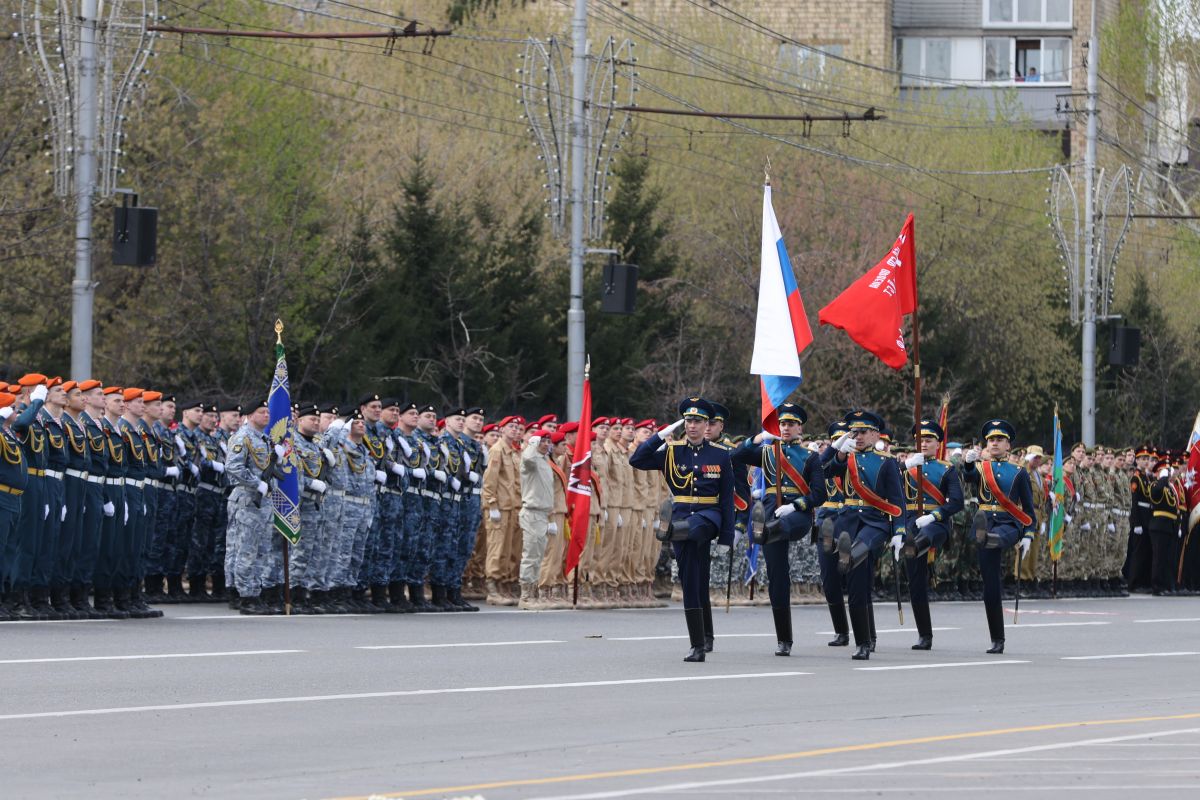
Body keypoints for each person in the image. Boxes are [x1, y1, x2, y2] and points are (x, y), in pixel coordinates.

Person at [630, 398, 734, 663]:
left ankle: (671, 529)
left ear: (707, 425)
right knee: (692, 582)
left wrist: (726, 537)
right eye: (688, 421)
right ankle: (699, 643)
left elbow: (726, 500)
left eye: (697, 421)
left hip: (708, 517)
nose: (692, 426)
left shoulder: (720, 455)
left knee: (696, 528)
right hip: (680, 516)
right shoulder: (672, 451)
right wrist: (660, 436)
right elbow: (637, 459)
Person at [736, 403, 826, 656]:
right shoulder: (767, 452)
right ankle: (784, 639)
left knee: (778, 527)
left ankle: (760, 530)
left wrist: (798, 504)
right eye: (782, 424)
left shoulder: (810, 457)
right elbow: (736, 456)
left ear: (800, 428)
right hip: (769, 513)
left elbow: (819, 494)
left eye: (791, 424)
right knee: (778, 577)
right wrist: (758, 438)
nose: (786, 428)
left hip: (796, 515)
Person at [826, 410, 906, 661]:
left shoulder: (886, 462)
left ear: (874, 434)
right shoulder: (844, 458)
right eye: (853, 432)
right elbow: (822, 471)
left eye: (862, 432)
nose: (857, 436)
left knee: (858, 563)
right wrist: (837, 450)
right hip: (848, 520)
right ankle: (867, 636)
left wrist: (899, 532)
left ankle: (862, 643)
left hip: (874, 522)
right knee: (856, 583)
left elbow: (897, 499)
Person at [961, 419, 1036, 654]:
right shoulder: (981, 468)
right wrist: (968, 463)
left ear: (1008, 446)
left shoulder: (1019, 472)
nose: (994, 443)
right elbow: (969, 477)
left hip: (1008, 523)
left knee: (999, 537)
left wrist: (1029, 534)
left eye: (999, 440)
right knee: (990, 587)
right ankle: (997, 639)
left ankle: (990, 537)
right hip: (986, 521)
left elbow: (1029, 509)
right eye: (991, 440)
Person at [894, 419, 964, 650]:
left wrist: (934, 516)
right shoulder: (904, 466)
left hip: (936, 523)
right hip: (910, 522)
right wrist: (905, 466)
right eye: (920, 439)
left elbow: (956, 502)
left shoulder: (947, 469)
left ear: (937, 443)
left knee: (923, 536)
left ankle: (913, 544)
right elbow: (884, 487)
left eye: (928, 439)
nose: (923, 443)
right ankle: (925, 635)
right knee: (916, 584)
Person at [517, 427, 556, 609]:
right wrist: (532, 443)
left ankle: (533, 592)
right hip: (532, 512)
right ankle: (526, 596)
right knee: (531, 555)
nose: (547, 444)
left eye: (549, 441)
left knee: (538, 555)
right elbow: (527, 459)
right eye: (543, 441)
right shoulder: (531, 459)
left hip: (542, 513)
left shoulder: (544, 460)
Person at [1147, 454, 1181, 595]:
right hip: (1159, 525)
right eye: (1165, 471)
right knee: (1159, 558)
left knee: (1168, 558)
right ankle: (1157, 586)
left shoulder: (1170, 488)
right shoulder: (1155, 485)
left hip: (1170, 525)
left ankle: (1167, 585)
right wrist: (1162, 478)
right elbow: (1155, 493)